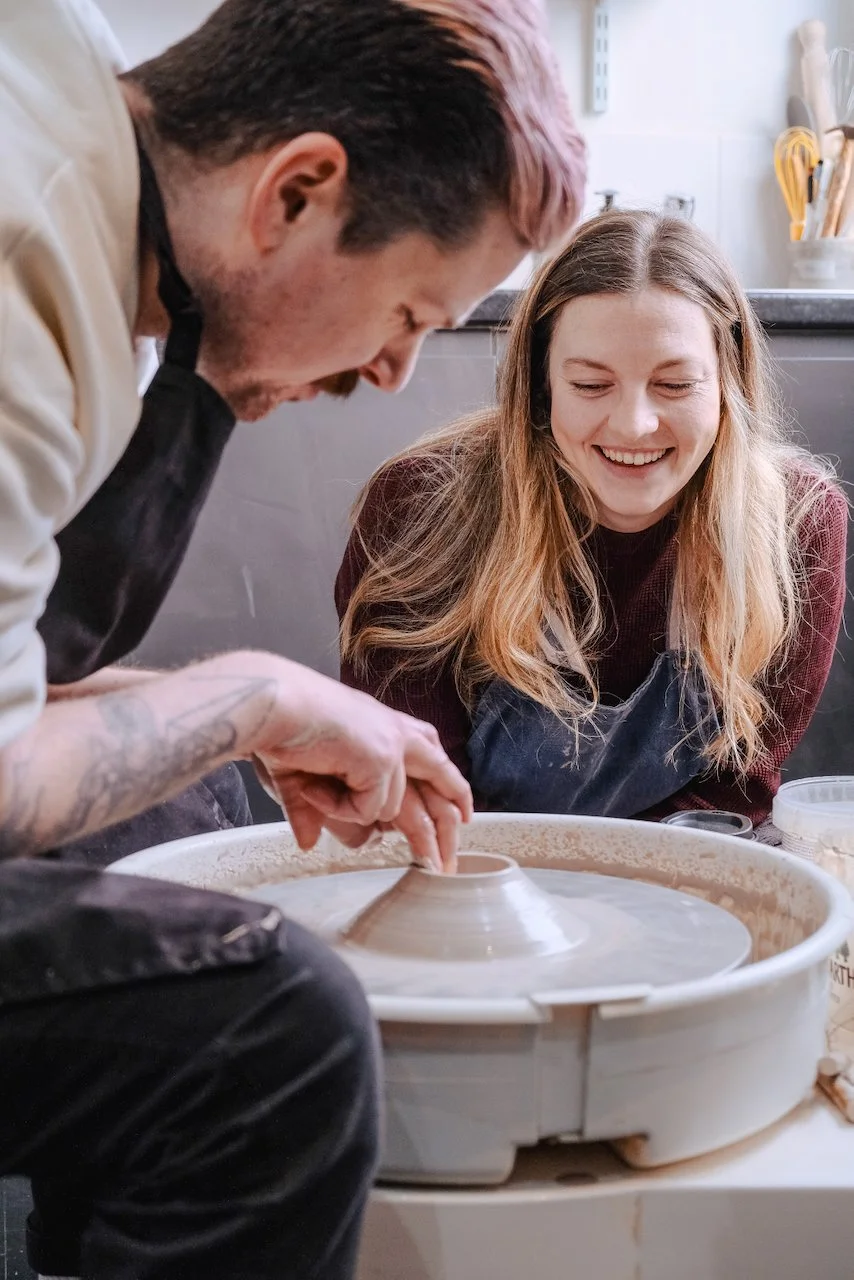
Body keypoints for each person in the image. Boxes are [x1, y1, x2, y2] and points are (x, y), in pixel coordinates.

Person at [0, 0, 585, 1276]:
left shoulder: (80, 115)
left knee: (196, 810)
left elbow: (23, 675)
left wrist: (247, 721)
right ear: (298, 192)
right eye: (413, 313)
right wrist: (260, 693)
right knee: (278, 1030)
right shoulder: (24, 270)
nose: (393, 370)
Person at [337, 210, 848, 836]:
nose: (634, 424)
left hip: (684, 880)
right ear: (542, 385)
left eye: (674, 383)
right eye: (591, 384)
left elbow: (733, 793)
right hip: (469, 877)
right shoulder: (420, 510)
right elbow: (417, 787)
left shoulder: (795, 525)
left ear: (727, 382)